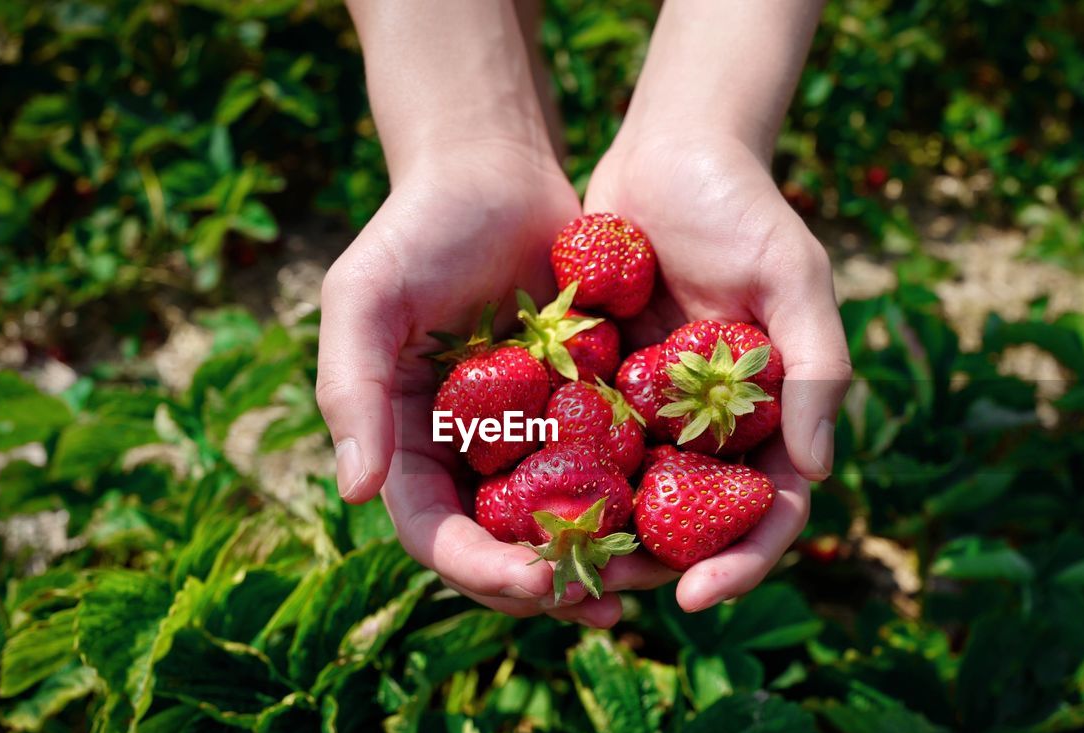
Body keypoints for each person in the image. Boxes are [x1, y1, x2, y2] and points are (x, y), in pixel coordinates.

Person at [315, 1, 851, 628]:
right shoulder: (586, 420)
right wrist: (466, 146)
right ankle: (514, 124)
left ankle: (515, 128)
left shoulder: (584, 412)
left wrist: (704, 133)